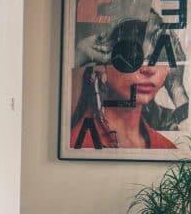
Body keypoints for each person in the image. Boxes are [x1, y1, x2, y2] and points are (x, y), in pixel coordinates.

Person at [70, 16, 179, 150]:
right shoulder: (77, 142)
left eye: (157, 59)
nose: (148, 69)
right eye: (132, 57)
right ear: (104, 64)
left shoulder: (166, 148)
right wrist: (79, 54)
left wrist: (178, 91)